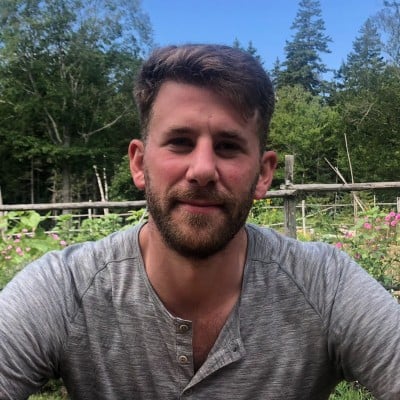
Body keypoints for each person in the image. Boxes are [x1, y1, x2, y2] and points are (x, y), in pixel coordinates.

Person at [0, 44, 399, 400]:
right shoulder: (66, 289)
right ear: (139, 163)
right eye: (180, 142)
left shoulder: (325, 285)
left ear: (263, 174)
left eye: (228, 146)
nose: (203, 170)